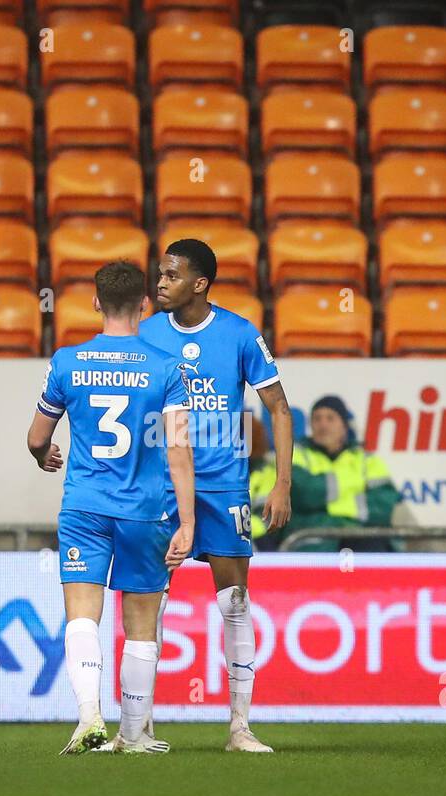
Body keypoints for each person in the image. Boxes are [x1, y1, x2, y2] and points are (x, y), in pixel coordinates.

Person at [26, 261, 196, 755]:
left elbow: (38, 437)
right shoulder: (167, 368)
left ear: (97, 303)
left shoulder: (67, 362)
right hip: (146, 511)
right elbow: (179, 449)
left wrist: (43, 454)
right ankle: (135, 734)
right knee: (141, 624)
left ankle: (88, 718)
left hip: (84, 507)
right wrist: (186, 522)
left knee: (82, 615)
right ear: (144, 305)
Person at [139, 238, 294, 753]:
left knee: (235, 604)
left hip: (224, 485)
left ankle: (239, 727)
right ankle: (140, 725)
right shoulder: (146, 334)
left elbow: (279, 408)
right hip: (163, 487)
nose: (160, 283)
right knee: (151, 605)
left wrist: (281, 483)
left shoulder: (239, 334)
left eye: (171, 275)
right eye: (160, 275)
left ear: (199, 283)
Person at [283, 395, 402, 553]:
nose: (323, 425)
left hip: (360, 540)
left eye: (330, 418)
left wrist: (326, 510)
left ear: (344, 427)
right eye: (317, 419)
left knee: (375, 552)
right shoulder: (295, 455)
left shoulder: (367, 460)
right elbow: (303, 495)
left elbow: (382, 508)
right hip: (310, 542)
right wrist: (353, 490)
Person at [246, 417, 282, 551]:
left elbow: (265, 521)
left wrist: (229, 523)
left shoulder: (268, 474)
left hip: (259, 545)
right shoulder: (216, 471)